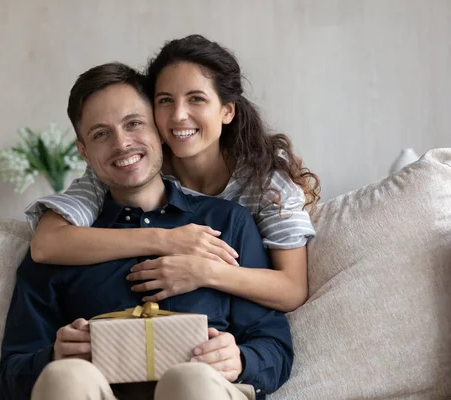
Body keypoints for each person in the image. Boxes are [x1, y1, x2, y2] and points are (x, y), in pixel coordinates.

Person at [0, 63, 293, 400]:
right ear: (83, 151)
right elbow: (10, 374)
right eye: (100, 134)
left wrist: (240, 359)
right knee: (66, 377)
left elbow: (275, 346)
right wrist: (53, 357)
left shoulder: (228, 223)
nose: (122, 144)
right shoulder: (62, 241)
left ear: (159, 130)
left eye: (134, 124)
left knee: (190, 381)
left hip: (201, 392)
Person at [26, 34, 321, 313]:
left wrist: (204, 271)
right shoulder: (137, 167)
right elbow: (46, 244)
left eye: (196, 99)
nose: (179, 115)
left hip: (232, 313)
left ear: (227, 111)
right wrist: (166, 239)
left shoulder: (265, 178)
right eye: (165, 100)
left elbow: (293, 289)